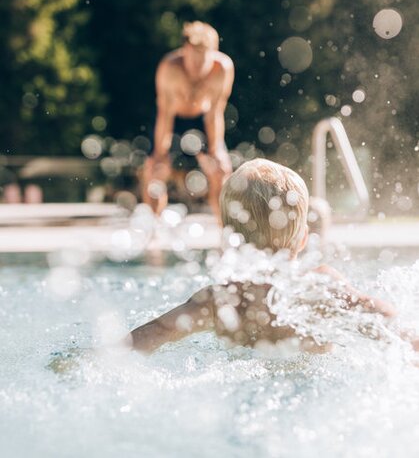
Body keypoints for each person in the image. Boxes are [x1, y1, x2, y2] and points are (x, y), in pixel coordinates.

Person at [128, 158, 397, 354]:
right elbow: (380, 316)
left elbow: (155, 332)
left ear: (229, 240)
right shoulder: (317, 286)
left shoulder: (220, 300)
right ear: (303, 238)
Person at [140, 21, 234, 220]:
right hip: (173, 120)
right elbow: (164, 114)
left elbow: (215, 113)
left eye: (203, 59)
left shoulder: (222, 69)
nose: (197, 67)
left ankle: (223, 229)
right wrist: (160, 153)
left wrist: (215, 151)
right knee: (154, 170)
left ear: (213, 52)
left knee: (221, 170)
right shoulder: (169, 68)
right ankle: (153, 230)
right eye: (193, 58)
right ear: (184, 50)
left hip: (202, 120)